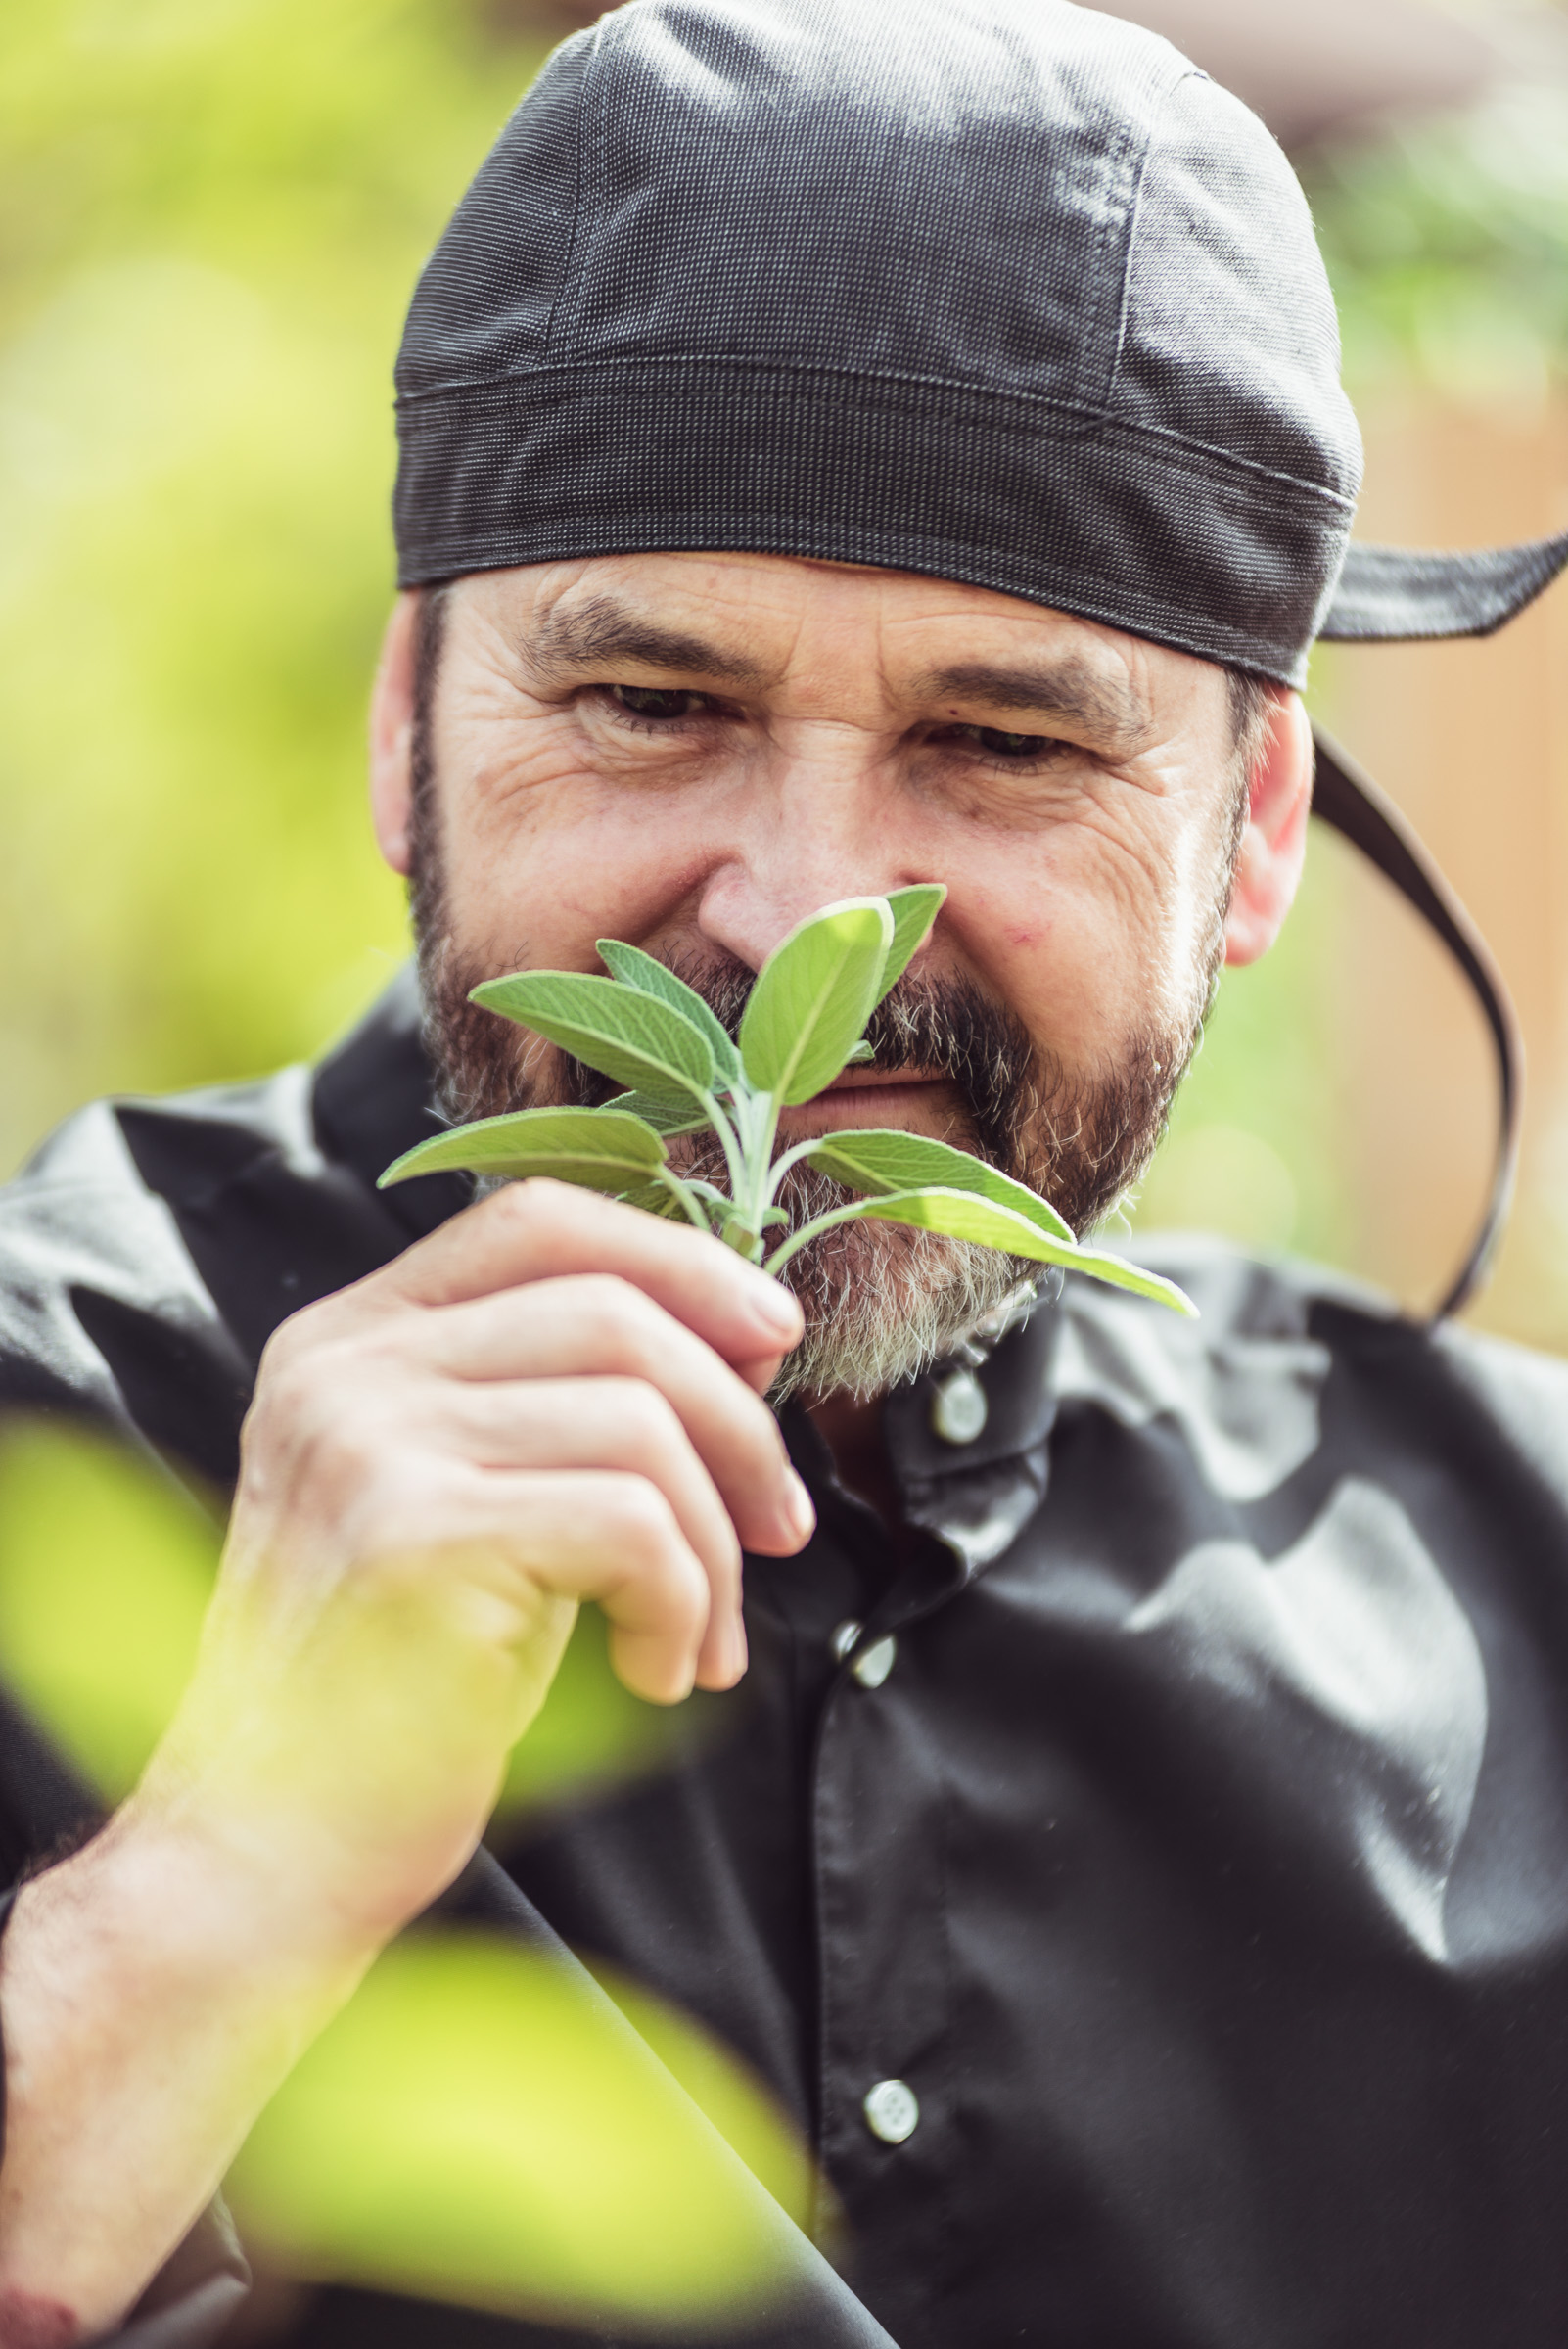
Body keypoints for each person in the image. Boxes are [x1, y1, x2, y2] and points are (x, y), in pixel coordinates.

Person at [2, 1, 1568, 2341]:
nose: (801, 915)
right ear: (415, 729)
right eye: (655, 704)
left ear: (1249, 836)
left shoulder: (1521, 1595)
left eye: (1006, 740)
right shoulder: (46, 1430)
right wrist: (211, 1880)